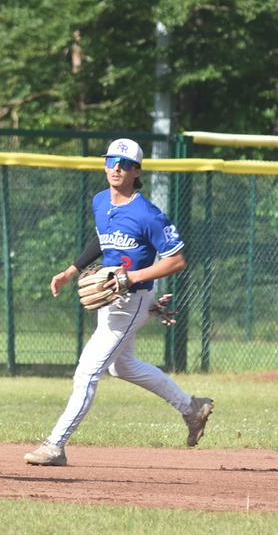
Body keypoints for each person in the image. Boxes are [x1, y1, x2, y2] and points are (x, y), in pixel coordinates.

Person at [24, 138, 213, 466]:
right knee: (121, 366)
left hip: (133, 297)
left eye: (125, 164)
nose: (116, 168)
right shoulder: (100, 201)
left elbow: (176, 261)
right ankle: (192, 408)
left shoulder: (147, 214)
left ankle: (55, 445)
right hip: (111, 295)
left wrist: (132, 278)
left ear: (137, 171)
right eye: (111, 161)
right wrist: (71, 271)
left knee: (87, 372)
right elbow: (102, 238)